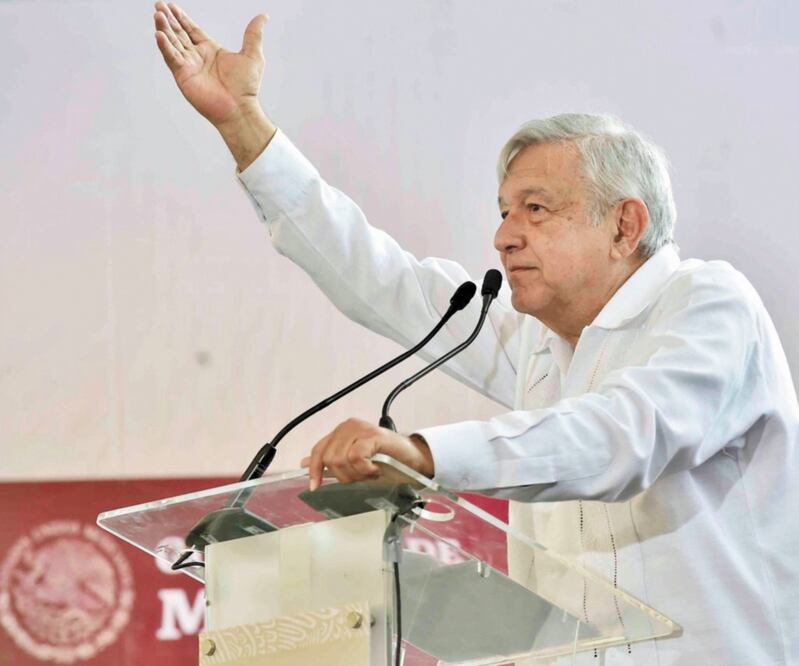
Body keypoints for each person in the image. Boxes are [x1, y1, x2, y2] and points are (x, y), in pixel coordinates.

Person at [153, 4, 798, 664]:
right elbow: (377, 276)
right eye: (502, 212)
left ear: (624, 225)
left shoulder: (708, 305)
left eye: (536, 210)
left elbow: (623, 436)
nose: (502, 236)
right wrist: (241, 124)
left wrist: (423, 456)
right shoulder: (537, 345)